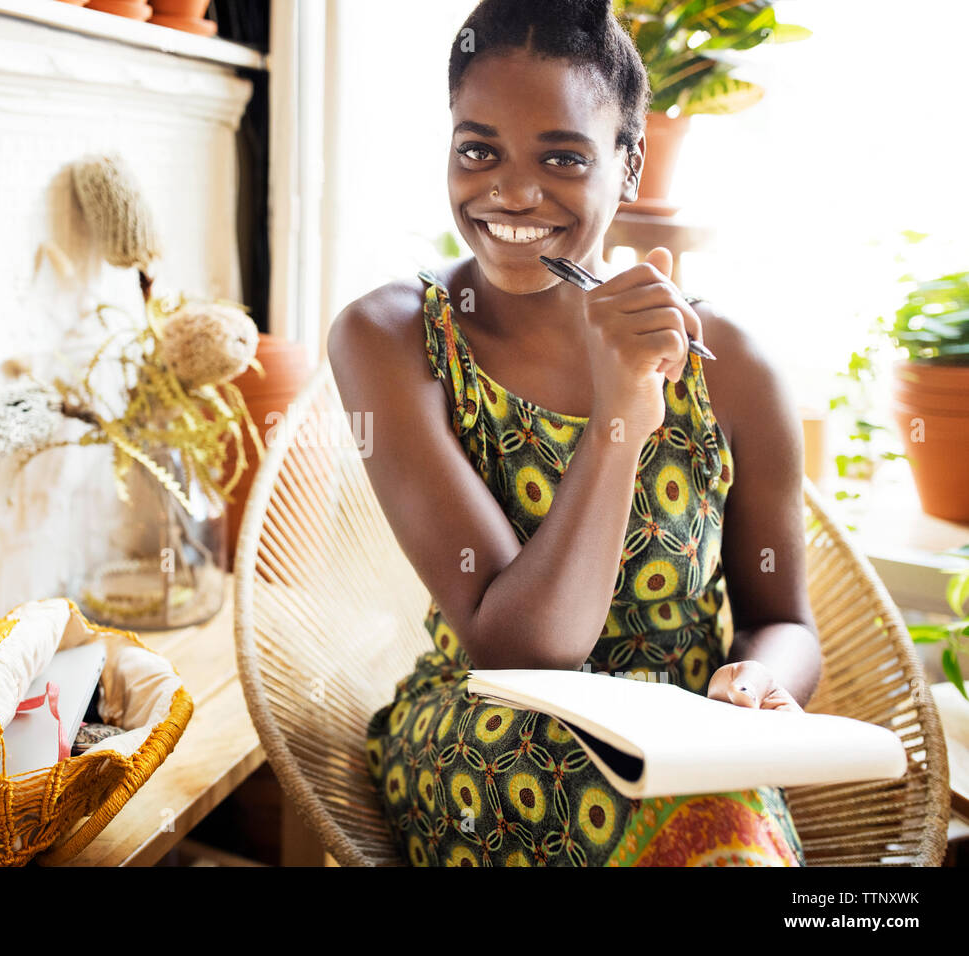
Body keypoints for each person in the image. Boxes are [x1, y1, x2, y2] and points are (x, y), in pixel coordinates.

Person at [326, 0, 821, 867]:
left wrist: (761, 679)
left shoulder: (732, 364)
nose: (512, 193)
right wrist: (622, 415)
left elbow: (784, 619)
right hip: (491, 729)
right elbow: (523, 648)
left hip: (698, 742)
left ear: (629, 166)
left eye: (562, 157)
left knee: (720, 819)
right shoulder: (393, 338)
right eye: (478, 150)